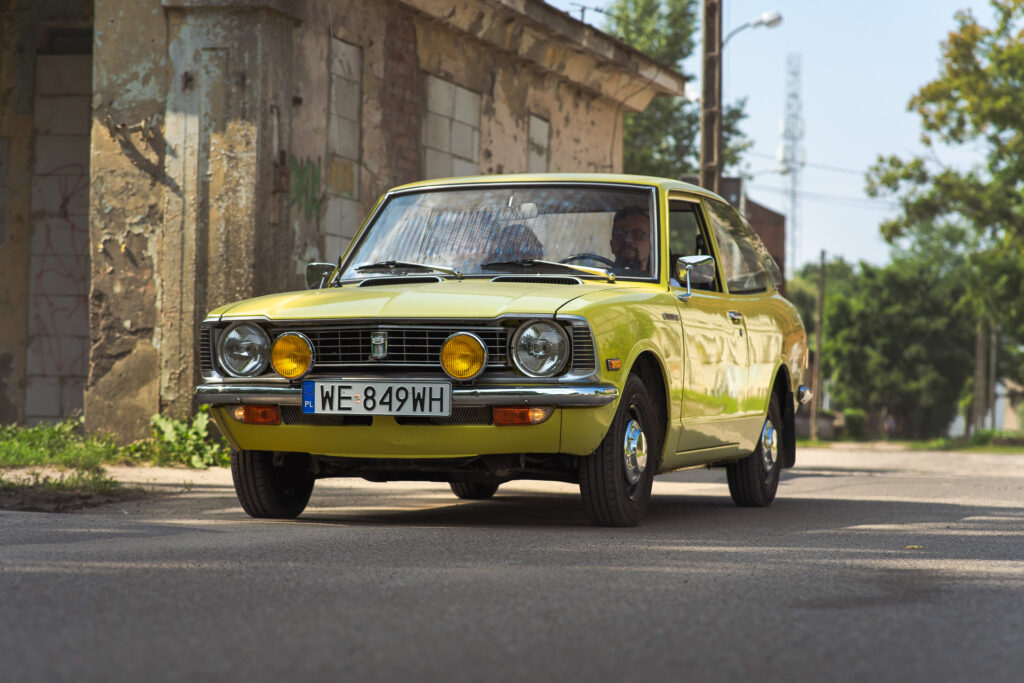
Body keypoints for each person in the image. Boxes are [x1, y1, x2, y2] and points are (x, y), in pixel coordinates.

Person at [610, 206, 651, 273]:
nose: (627, 239)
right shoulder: (600, 279)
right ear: (612, 244)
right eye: (620, 234)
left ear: (651, 245)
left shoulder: (669, 283)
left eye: (637, 235)